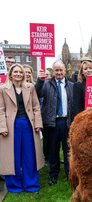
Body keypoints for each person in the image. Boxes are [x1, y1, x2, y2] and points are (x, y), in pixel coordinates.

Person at [0, 63, 44, 193]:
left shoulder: (30, 87)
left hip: (27, 124)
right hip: (10, 125)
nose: (18, 74)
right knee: (12, 156)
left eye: (20, 72)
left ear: (23, 74)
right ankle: (14, 186)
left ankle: (31, 185)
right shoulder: (3, 89)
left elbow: (36, 107)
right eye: (15, 72)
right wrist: (2, 127)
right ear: (10, 74)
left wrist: (37, 124)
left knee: (29, 155)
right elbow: (1, 110)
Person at [35, 61, 74, 186]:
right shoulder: (46, 84)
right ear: (53, 71)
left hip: (67, 122)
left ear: (65, 71)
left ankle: (70, 174)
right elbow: (36, 93)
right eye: (56, 70)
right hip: (51, 122)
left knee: (68, 150)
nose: (59, 72)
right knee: (53, 150)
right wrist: (40, 81)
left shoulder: (71, 86)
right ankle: (53, 174)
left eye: (61, 70)